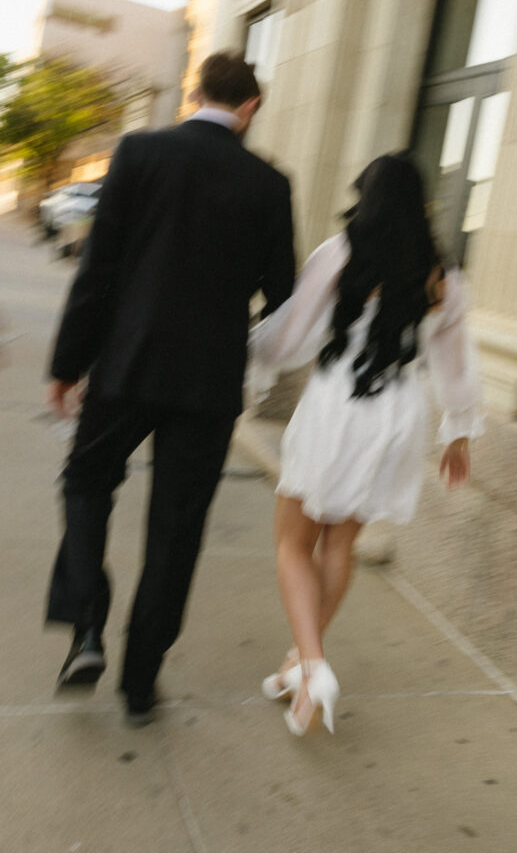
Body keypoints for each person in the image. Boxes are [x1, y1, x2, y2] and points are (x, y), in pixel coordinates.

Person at [45, 51, 295, 725]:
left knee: (86, 480)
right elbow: (282, 299)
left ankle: (87, 625)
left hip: (127, 364)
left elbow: (98, 270)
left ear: (195, 94)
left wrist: (68, 363)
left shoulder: (139, 153)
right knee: (176, 531)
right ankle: (139, 685)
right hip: (208, 383)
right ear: (250, 108)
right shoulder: (270, 185)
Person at [249, 153, 484, 736]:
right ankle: (299, 671)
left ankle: (313, 665)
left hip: (337, 406)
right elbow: (455, 364)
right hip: (397, 412)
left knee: (291, 545)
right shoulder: (443, 278)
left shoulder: (341, 253)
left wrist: (244, 348)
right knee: (338, 549)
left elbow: (288, 337)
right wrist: (457, 432)